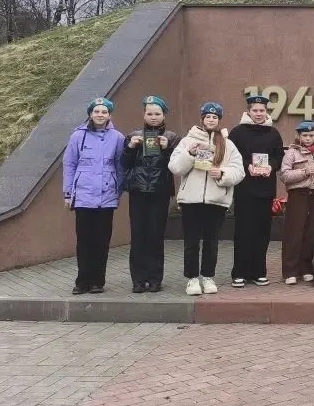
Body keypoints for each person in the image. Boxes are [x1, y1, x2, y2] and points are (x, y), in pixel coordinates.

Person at [168, 102, 245, 296]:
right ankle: (192, 278)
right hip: (191, 200)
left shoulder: (227, 144)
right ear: (202, 118)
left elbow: (239, 171)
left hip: (216, 201)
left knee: (212, 241)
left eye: (215, 117)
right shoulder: (187, 141)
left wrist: (222, 173)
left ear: (219, 120)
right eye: (208, 116)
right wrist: (190, 154)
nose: (211, 120)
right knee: (191, 241)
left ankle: (208, 276)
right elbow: (175, 167)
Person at [62, 97, 126, 295]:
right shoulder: (77, 136)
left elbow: (120, 166)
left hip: (106, 197)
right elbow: (69, 164)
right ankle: (82, 281)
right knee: (84, 241)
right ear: (90, 114)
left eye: (104, 112)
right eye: (96, 111)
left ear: (109, 115)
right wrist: (68, 193)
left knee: (102, 241)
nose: (100, 115)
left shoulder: (117, 137)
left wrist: (118, 191)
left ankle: (98, 281)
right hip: (83, 196)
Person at [227, 95, 285, 287]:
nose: (259, 114)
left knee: (262, 232)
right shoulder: (237, 132)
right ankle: (239, 273)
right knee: (243, 231)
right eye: (255, 110)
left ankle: (259, 272)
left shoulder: (273, 133)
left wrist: (271, 166)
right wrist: (247, 166)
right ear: (248, 111)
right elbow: (231, 156)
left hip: (265, 190)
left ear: (266, 112)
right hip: (244, 189)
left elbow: (279, 157)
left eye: (262, 110)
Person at [123, 95, 178, 293]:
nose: (153, 117)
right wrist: (130, 148)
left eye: (157, 113)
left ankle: (155, 278)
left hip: (160, 191)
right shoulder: (133, 135)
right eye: (150, 114)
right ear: (144, 115)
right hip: (138, 191)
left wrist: (166, 148)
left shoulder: (172, 137)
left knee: (156, 235)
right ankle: (138, 279)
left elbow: (176, 165)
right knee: (138, 235)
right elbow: (124, 164)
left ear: (164, 115)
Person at [279, 121, 314, 285]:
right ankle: (290, 271)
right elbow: (284, 175)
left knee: (311, 232)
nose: (308, 138)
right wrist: (304, 172)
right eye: (305, 135)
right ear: (299, 136)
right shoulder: (291, 153)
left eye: (310, 135)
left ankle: (306, 268)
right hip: (298, 194)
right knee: (294, 232)